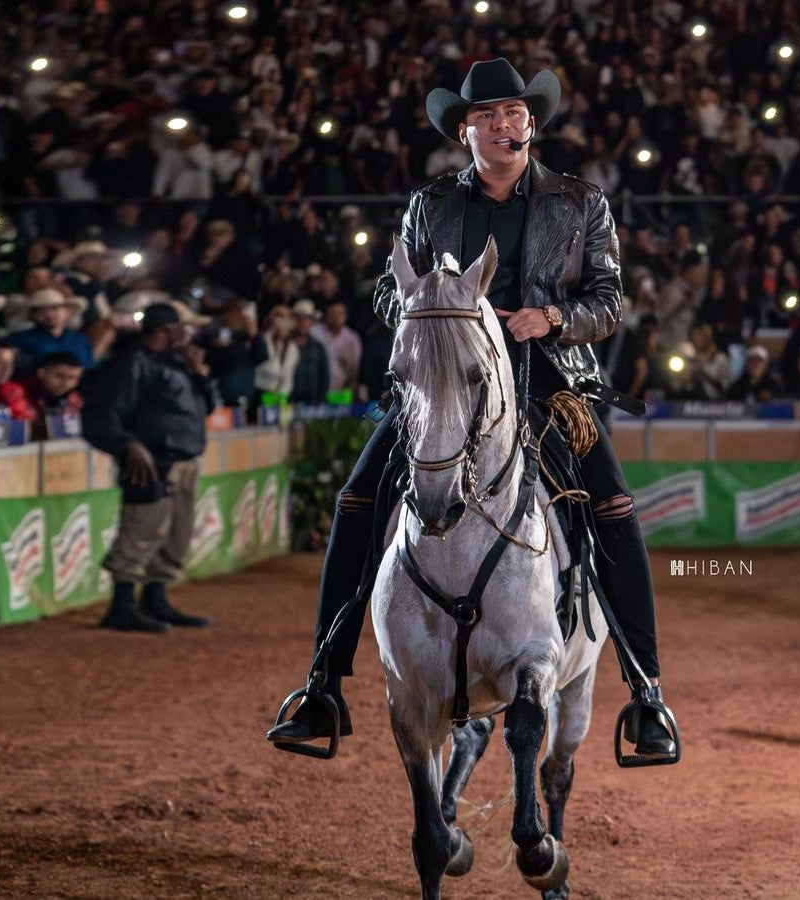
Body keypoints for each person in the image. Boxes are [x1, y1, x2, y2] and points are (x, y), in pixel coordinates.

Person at [268, 58, 678, 760]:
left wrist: (549, 317)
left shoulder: (581, 202)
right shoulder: (430, 204)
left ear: (530, 125)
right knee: (358, 497)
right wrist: (438, 310)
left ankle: (646, 692)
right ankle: (322, 685)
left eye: (514, 113)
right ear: (466, 131)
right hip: (446, 383)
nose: (503, 123)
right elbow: (386, 294)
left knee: (612, 507)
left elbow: (609, 302)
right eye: (487, 114)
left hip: (550, 382)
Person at [81, 303, 212, 633]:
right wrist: (128, 444)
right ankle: (122, 605)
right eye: (182, 328)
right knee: (141, 532)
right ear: (167, 331)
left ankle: (156, 599)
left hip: (183, 461)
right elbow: (101, 416)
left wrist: (197, 371)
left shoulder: (176, 364)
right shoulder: (132, 364)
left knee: (175, 536)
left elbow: (206, 407)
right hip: (152, 464)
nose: (188, 334)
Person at [9, 288, 94, 373]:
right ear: (33, 315)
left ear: (66, 311)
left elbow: (88, 368)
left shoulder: (80, 339)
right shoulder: (20, 339)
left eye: (55, 308)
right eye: (42, 310)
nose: (49, 314)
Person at [311, 300, 362, 396]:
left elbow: (354, 370)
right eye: (332, 313)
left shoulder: (352, 338)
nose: (336, 318)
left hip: (341, 392)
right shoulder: (315, 333)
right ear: (326, 315)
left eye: (340, 314)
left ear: (345, 316)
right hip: (316, 391)